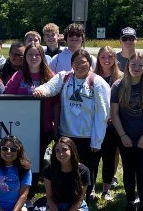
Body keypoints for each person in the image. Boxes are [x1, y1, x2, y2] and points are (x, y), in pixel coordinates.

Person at [34, 49, 111, 201]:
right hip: (66, 134)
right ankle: (65, 195)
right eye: (76, 62)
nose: (79, 65)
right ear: (71, 64)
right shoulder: (64, 77)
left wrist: (97, 139)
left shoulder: (97, 82)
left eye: (83, 62)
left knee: (86, 168)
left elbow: (103, 113)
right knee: (64, 166)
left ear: (90, 63)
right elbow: (50, 87)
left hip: (87, 135)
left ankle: (84, 197)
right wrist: (40, 90)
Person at [111, 52, 143, 211]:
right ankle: (130, 201)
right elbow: (114, 114)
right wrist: (123, 136)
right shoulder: (118, 86)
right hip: (125, 135)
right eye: (133, 64)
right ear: (127, 66)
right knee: (128, 168)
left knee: (142, 169)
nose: (137, 68)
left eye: (141, 65)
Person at [5, 44, 57, 153]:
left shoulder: (51, 77)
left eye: (37, 54)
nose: (33, 57)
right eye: (30, 55)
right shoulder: (18, 75)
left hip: (44, 126)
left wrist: (56, 125)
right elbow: (7, 97)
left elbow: (56, 103)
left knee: (40, 161)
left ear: (42, 56)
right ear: (25, 57)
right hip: (21, 126)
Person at [41, 137, 90, 211]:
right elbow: (49, 197)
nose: (61, 154)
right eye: (57, 151)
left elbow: (80, 198)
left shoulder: (83, 171)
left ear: (72, 150)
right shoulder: (49, 170)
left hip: (76, 207)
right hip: (55, 206)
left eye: (64, 150)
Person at [94, 46, 123, 200]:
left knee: (109, 157)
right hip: (94, 124)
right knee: (93, 157)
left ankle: (106, 189)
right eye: (103, 57)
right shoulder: (91, 77)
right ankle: (90, 188)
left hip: (112, 124)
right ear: (98, 59)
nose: (106, 60)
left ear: (115, 59)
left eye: (110, 57)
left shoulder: (121, 78)